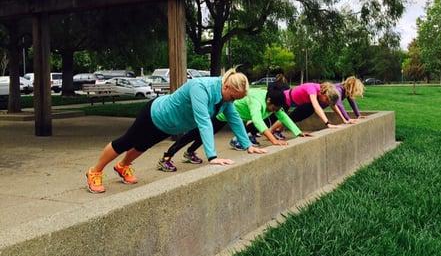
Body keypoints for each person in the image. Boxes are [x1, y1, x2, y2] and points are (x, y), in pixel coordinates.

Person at [85, 68, 266, 193]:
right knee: (126, 142)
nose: (232, 102)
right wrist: (212, 157)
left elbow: (234, 119)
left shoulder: (226, 100)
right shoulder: (201, 88)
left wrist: (248, 145)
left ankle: (123, 166)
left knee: (142, 146)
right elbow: (203, 121)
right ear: (226, 86)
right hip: (155, 114)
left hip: (168, 125)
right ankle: (95, 171)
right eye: (233, 97)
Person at [156, 85, 312, 170]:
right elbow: (257, 120)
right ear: (269, 100)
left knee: (205, 134)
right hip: (222, 112)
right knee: (197, 133)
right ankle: (167, 156)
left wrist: (298, 133)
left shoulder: (274, 103)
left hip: (232, 116)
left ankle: (189, 153)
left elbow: (284, 117)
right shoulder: (257, 101)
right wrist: (274, 141)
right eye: (274, 108)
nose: (275, 112)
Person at [269, 82, 342, 134]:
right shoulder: (312, 89)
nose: (326, 103)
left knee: (295, 116)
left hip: (294, 102)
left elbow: (333, 105)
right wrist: (327, 123)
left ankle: (278, 131)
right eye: (326, 100)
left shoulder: (321, 92)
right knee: (284, 117)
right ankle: (270, 130)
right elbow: (316, 106)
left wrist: (345, 120)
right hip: (285, 98)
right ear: (324, 93)